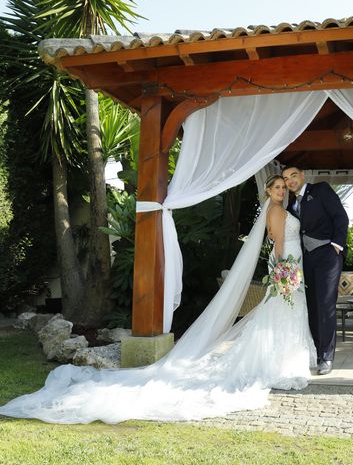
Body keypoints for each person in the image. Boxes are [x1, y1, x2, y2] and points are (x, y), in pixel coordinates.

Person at [0, 175, 316, 424]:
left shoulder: (283, 209)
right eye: (275, 187)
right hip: (286, 270)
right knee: (280, 316)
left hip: (291, 270)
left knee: (283, 317)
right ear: (268, 192)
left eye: (281, 187)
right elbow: (276, 247)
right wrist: (283, 273)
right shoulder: (275, 212)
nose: (279, 191)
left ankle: (284, 358)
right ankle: (277, 361)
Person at [282, 166, 349, 376]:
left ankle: (326, 357)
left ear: (302, 176)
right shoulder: (291, 204)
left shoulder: (320, 190)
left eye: (293, 175)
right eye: (285, 178)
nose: (290, 181)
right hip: (305, 259)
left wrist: (336, 246)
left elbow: (340, 216)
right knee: (311, 304)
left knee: (325, 303)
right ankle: (317, 351)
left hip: (328, 255)